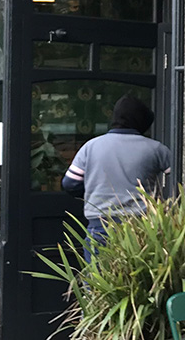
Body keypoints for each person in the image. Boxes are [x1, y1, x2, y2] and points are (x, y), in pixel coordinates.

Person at [60, 94, 171, 255]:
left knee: (98, 277)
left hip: (100, 225)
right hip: (143, 226)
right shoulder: (156, 149)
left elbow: (69, 184)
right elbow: (181, 180)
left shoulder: (90, 147)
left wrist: (93, 191)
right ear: (143, 121)